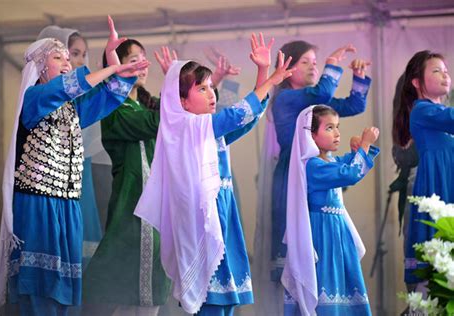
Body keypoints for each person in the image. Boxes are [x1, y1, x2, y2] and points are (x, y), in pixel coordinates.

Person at [0, 18, 149, 315]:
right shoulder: (35, 97)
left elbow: (106, 98)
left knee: (63, 294)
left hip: (68, 207)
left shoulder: (72, 108)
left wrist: (118, 67)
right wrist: (110, 68)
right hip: (38, 206)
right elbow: (68, 86)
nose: (67, 63)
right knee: (40, 292)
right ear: (39, 66)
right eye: (58, 57)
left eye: (68, 57)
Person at [134, 34, 293, 315]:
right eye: (202, 89)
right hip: (203, 222)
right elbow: (232, 117)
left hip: (223, 215)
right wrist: (269, 80)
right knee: (211, 303)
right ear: (182, 100)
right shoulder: (184, 128)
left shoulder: (206, 129)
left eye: (211, 87)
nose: (211, 94)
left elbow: (246, 118)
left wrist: (262, 71)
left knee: (225, 300)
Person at [253, 40, 372, 315]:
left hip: (317, 172)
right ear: (288, 68)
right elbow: (325, 89)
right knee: (296, 244)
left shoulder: (314, 102)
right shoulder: (286, 98)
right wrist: (332, 64)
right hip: (291, 177)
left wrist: (359, 77)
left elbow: (353, 105)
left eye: (315, 62)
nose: (313, 66)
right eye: (305, 62)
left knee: (321, 249)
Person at [82, 39, 171, 316]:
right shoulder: (113, 110)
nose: (143, 65)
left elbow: (182, 111)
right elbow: (159, 121)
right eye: (134, 60)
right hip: (131, 201)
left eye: (144, 59)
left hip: (155, 204)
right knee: (119, 282)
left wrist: (181, 83)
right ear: (116, 68)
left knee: (150, 283)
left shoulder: (148, 105)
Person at [282, 104, 379, 315]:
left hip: (337, 235)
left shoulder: (329, 161)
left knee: (343, 287)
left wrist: (359, 149)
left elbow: (348, 165)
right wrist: (364, 146)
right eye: (329, 128)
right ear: (311, 136)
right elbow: (350, 174)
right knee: (327, 287)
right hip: (322, 236)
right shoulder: (312, 166)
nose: (337, 133)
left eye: (337, 127)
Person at [37, 24, 103, 268]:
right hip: (46, 184)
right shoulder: (38, 96)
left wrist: (118, 73)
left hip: (79, 175)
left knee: (80, 244)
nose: (75, 61)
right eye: (72, 53)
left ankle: (80, 303)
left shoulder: (80, 98)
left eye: (81, 55)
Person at [392, 50, 454, 288]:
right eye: (436, 70)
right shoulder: (421, 110)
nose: (445, 75)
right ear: (416, 82)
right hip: (437, 186)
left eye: (446, 71)